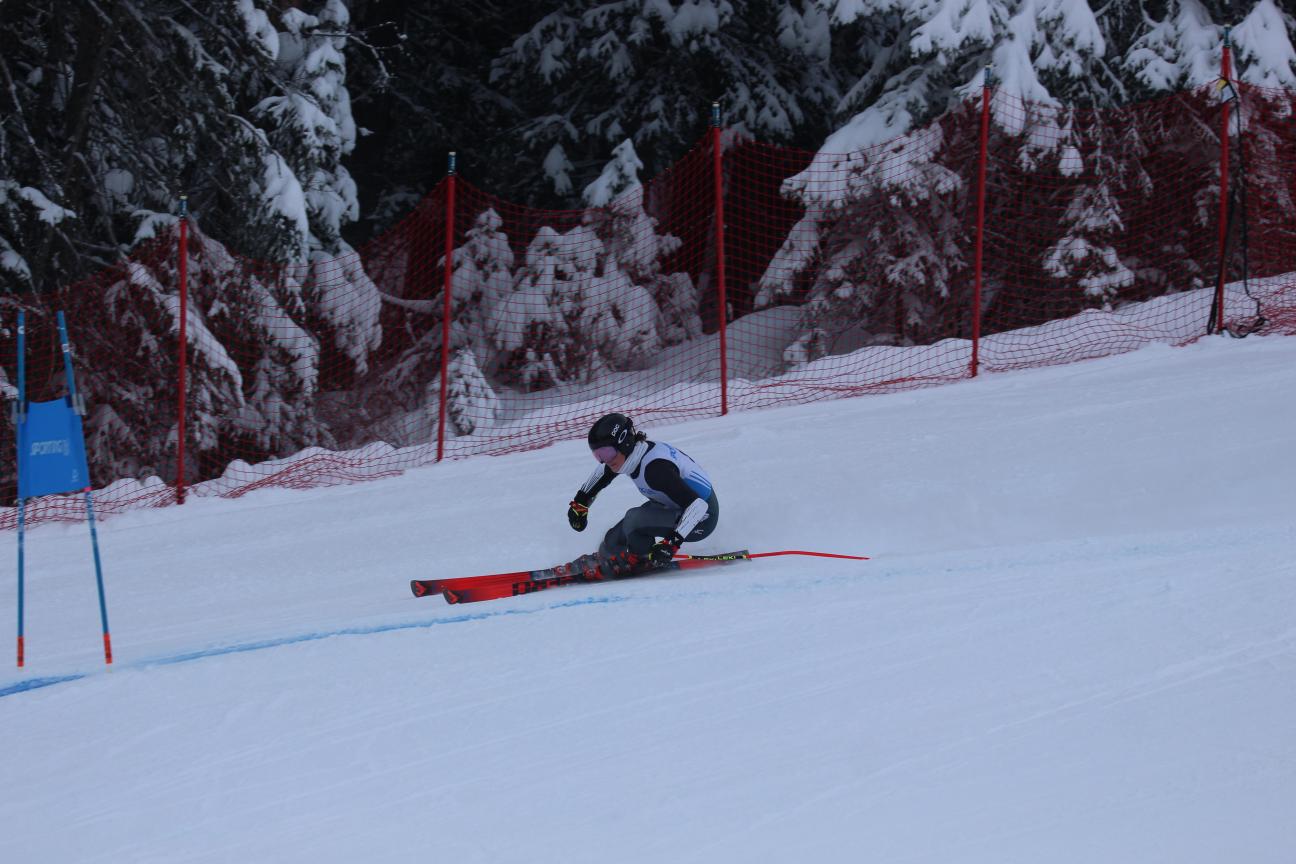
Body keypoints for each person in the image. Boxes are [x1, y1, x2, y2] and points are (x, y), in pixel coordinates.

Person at [566, 413, 719, 577]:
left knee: (634, 521)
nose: (605, 460)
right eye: (599, 455)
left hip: (702, 518)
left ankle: (640, 560)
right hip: (673, 506)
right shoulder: (630, 455)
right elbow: (602, 473)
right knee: (613, 539)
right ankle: (605, 557)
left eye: (607, 453)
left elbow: (698, 506)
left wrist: (671, 544)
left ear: (624, 442)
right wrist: (580, 503)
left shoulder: (655, 469)